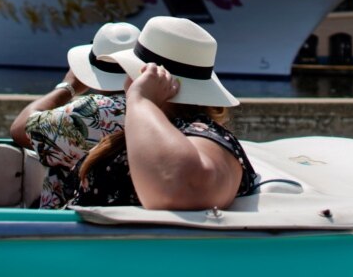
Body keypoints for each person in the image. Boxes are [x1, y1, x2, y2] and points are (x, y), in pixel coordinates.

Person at [71, 16, 256, 210]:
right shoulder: (186, 128)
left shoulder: (202, 132)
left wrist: (141, 99)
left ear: (142, 78)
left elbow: (184, 189)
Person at [9, 22, 138, 209]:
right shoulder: (158, 108)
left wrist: (68, 86)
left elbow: (20, 128)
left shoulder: (95, 111)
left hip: (71, 225)